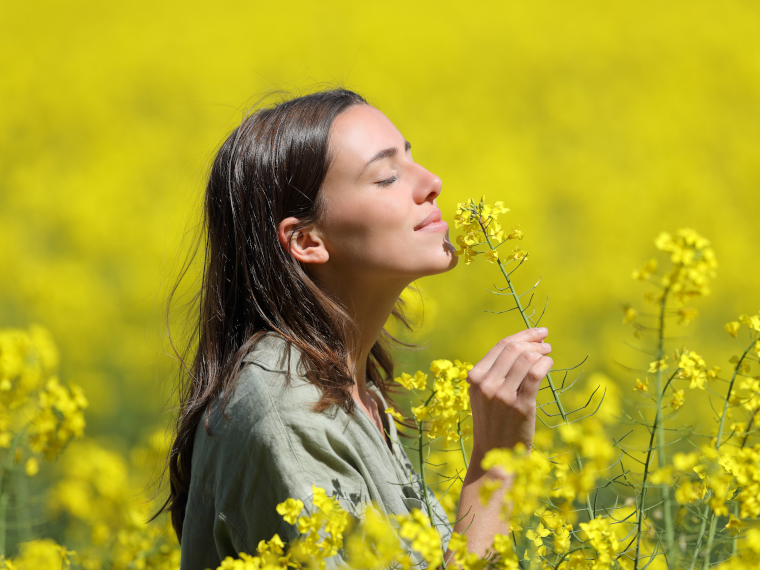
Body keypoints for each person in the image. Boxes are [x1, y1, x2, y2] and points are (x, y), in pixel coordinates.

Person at [159, 88, 553, 569]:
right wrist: (496, 467)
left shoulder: (346, 387)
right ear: (306, 240)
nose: (432, 182)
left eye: (412, 159)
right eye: (387, 177)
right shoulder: (285, 412)